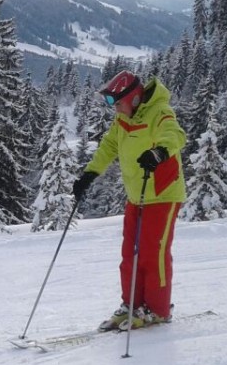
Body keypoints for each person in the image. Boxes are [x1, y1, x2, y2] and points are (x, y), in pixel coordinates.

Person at [72, 70, 187, 330]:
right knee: (130, 254)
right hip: (137, 195)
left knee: (152, 253)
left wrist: (159, 152)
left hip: (162, 193)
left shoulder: (161, 112)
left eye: (117, 103)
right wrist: (90, 174)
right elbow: (109, 146)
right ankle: (132, 305)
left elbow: (176, 136)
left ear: (134, 98)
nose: (114, 109)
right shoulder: (123, 118)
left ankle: (158, 310)